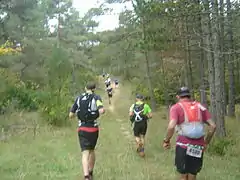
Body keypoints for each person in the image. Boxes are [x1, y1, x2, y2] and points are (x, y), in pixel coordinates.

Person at [162, 87, 216, 180]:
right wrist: (206, 143)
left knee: (183, 175)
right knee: (193, 174)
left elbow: (171, 126)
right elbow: (213, 126)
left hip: (183, 145)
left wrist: (166, 140)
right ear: (189, 96)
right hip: (198, 146)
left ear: (178, 96)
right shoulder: (200, 107)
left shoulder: (176, 107)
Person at [69, 82, 105, 180]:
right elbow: (101, 110)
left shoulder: (78, 98)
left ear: (85, 88)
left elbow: (71, 115)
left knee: (85, 153)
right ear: (94, 89)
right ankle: (90, 171)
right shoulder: (96, 97)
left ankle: (86, 176)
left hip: (82, 128)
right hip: (93, 128)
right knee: (92, 150)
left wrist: (78, 114)